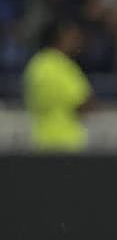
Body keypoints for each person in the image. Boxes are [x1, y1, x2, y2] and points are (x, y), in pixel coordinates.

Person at [23, 16, 94, 151]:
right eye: (73, 36)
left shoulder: (36, 64)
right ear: (60, 37)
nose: (77, 41)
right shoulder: (61, 66)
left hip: (40, 139)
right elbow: (83, 103)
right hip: (65, 142)